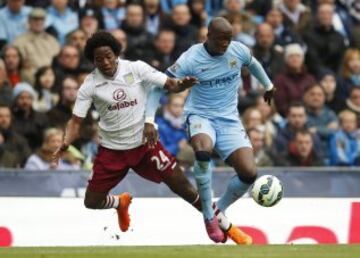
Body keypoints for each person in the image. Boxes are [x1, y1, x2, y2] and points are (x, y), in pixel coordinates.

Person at [52, 31, 243, 245]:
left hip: (145, 146)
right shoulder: (89, 85)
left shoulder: (136, 68)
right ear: (93, 61)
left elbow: (170, 84)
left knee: (184, 188)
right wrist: (66, 142)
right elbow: (76, 121)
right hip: (111, 150)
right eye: (98, 59)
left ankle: (229, 228)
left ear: (116, 54)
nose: (105, 62)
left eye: (108, 56)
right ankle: (119, 203)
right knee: (92, 201)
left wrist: (183, 84)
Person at [166, 17, 275, 243]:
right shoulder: (191, 58)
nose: (226, 43)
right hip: (200, 116)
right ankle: (208, 216)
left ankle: (218, 210)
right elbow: (165, 82)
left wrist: (268, 85)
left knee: (249, 173)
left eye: (229, 38)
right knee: (203, 152)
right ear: (208, 36)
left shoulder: (239, 50)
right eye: (221, 39)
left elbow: (253, 63)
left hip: (229, 119)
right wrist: (150, 118)